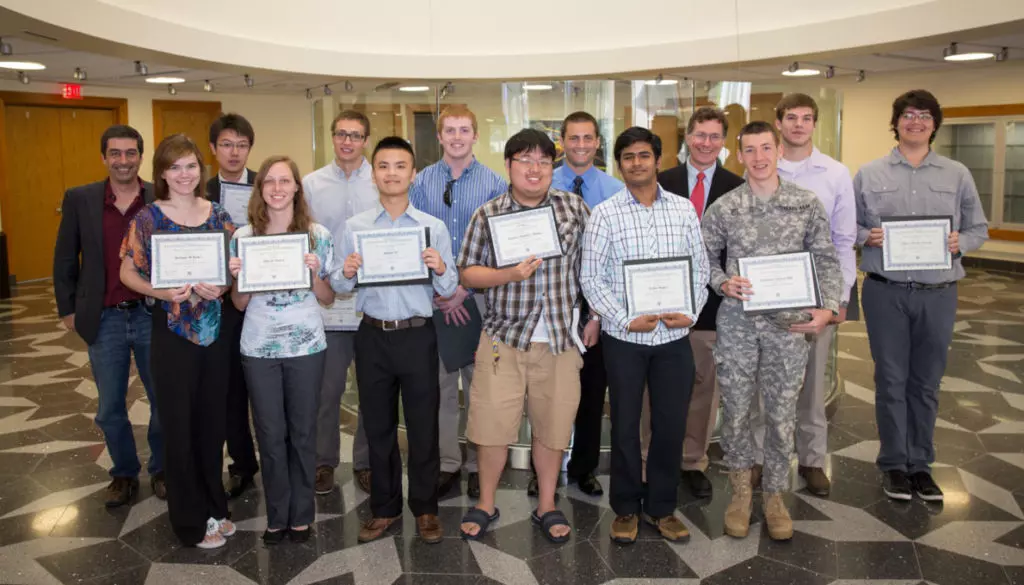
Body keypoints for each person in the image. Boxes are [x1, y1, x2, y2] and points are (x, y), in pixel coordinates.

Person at [701, 121, 841, 542]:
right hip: (739, 325)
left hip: (789, 326)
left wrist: (828, 309)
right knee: (738, 413)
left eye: (766, 148)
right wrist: (722, 282)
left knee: (781, 416)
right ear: (739, 155)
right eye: (750, 150)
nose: (759, 158)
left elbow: (827, 259)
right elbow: (701, 256)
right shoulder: (726, 207)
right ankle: (741, 493)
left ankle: (776, 496)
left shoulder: (806, 204)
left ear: (778, 150)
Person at [855, 89, 988, 502]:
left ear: (935, 124)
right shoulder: (869, 173)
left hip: (938, 292)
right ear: (895, 122)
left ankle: (921, 465)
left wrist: (958, 242)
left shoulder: (956, 173)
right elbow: (849, 228)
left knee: (926, 383)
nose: (916, 121)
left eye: (925, 115)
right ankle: (895, 464)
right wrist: (866, 235)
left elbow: (978, 228)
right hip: (884, 293)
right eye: (908, 115)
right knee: (891, 381)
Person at [458, 129, 589, 544]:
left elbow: (594, 266)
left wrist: (597, 315)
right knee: (491, 426)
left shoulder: (574, 208)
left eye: (543, 161)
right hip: (502, 338)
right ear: (509, 166)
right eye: (525, 160)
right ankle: (486, 502)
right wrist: (509, 274)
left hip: (560, 340)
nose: (535, 169)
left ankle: (547, 504)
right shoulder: (488, 213)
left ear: (554, 167)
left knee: (553, 427)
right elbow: (468, 271)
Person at [581, 127, 709, 544]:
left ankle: (661, 507)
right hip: (625, 340)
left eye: (644, 155)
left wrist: (688, 314)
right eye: (628, 157)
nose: (636, 163)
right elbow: (590, 277)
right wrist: (620, 319)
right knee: (623, 426)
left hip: (673, 339)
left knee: (670, 425)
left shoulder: (682, 210)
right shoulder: (604, 214)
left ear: (658, 159)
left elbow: (700, 270)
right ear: (619, 164)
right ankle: (625, 508)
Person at [334, 136, 457, 545]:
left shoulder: (431, 227)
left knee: (424, 426)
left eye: (400, 166)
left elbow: (451, 282)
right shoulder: (354, 228)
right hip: (372, 336)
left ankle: (425, 509)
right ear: (374, 174)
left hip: (418, 335)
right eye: (383, 166)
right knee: (379, 426)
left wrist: (439, 266)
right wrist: (348, 270)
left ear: (413, 174)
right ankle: (384, 509)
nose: (391, 173)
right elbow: (337, 283)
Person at [119, 134, 236, 549]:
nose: (183, 175)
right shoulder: (149, 217)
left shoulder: (218, 213)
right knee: (180, 426)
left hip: (215, 334)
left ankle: (214, 506)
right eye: (174, 167)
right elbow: (127, 273)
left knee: (211, 423)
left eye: (190, 166)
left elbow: (230, 269)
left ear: (199, 170)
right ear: (162, 173)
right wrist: (162, 292)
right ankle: (190, 520)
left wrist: (220, 288)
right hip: (171, 335)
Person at [746, 94, 857, 497]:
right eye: (790, 117)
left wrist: (837, 300)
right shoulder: (759, 166)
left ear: (815, 124)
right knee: (763, 383)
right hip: (765, 300)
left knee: (812, 386)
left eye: (806, 118)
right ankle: (758, 458)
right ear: (778, 123)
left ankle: (812, 460)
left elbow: (844, 241)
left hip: (814, 298)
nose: (798, 125)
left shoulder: (835, 173)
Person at [53, 124, 165, 508]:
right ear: (104, 157)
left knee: (162, 398)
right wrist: (67, 308)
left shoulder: (158, 197)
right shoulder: (81, 199)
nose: (123, 161)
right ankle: (124, 472)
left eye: (130, 153)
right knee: (110, 406)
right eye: (115, 153)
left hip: (152, 315)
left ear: (140, 156)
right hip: (104, 318)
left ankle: (163, 468)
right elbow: (66, 256)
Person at [229, 155, 335, 544]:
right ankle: (277, 515)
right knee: (270, 433)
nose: (276, 188)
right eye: (269, 182)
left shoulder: (318, 236)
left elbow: (327, 297)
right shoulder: (243, 237)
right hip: (258, 347)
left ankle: (302, 514)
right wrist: (243, 278)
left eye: (284, 181)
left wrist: (311, 274)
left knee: (303, 432)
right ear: (260, 190)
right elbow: (239, 304)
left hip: (306, 344)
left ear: (296, 188)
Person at [409, 105, 507, 498]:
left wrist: (462, 287)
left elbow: (501, 245)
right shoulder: (421, 183)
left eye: (464, 130)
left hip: (477, 299)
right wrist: (441, 289)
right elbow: (412, 238)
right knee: (441, 388)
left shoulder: (494, 183)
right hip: (432, 301)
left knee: (481, 389)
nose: (456, 137)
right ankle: (448, 462)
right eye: (449, 130)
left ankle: (476, 465)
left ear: (475, 135)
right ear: (440, 135)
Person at [656, 107, 744, 499]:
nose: (706, 143)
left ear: (723, 142)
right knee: (655, 389)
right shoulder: (660, 182)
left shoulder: (737, 187)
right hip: (659, 301)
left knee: (704, 387)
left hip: (712, 305)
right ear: (687, 138)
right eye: (699, 135)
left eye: (714, 136)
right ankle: (653, 458)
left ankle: (693, 461)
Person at [537, 111, 622, 498]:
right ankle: (542, 472)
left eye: (588, 138)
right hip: (548, 302)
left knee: (590, 391)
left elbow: (618, 258)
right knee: (546, 393)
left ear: (598, 142)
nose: (581, 145)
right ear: (562, 142)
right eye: (573, 138)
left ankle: (583, 467)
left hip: (596, 305)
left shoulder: (614, 189)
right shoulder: (539, 182)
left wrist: (599, 312)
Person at [303, 110, 377, 496]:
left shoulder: (381, 180)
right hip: (329, 302)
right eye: (342, 134)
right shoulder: (311, 184)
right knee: (327, 389)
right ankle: (323, 462)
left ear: (365, 139)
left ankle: (365, 462)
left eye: (356, 135)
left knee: (370, 389)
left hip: (369, 301)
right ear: (333, 138)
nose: (348, 141)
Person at [205, 113, 260, 499]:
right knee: (229, 389)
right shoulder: (199, 190)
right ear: (213, 149)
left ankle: (279, 458)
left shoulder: (268, 185)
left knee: (268, 386)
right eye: (227, 144)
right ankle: (241, 464)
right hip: (220, 303)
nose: (234, 152)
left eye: (241, 145)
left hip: (262, 300)